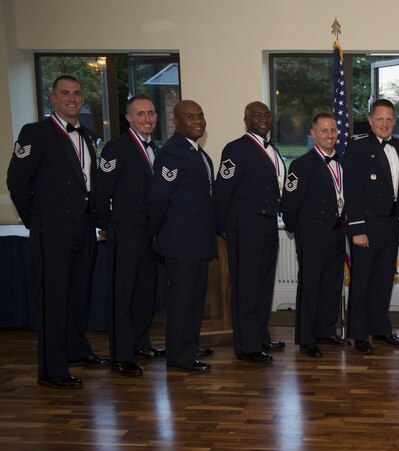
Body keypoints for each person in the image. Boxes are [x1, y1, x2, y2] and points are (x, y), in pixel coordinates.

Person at [7, 74, 109, 389]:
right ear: (53, 98)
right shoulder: (35, 133)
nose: (72, 98)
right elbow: (16, 182)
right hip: (51, 227)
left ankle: (77, 349)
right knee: (53, 298)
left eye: (77, 93)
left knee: (79, 292)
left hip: (83, 225)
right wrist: (36, 220)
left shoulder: (89, 135)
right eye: (65, 93)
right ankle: (51, 369)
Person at [92, 93, 162, 377]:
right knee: (123, 295)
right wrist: (109, 225)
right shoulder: (115, 148)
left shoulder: (155, 149)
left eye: (151, 113)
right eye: (141, 114)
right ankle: (121, 354)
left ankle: (139, 342)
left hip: (149, 233)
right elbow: (100, 193)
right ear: (129, 118)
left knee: (145, 291)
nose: (147, 119)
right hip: (125, 232)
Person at [214, 101, 286, 364]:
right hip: (245, 226)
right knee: (246, 286)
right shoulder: (235, 149)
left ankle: (260, 335)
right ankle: (247, 346)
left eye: (267, 114)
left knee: (264, 284)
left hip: (267, 224)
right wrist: (222, 228)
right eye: (257, 115)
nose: (263, 118)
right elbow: (222, 190)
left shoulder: (272, 148)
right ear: (246, 119)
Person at [147, 100, 216, 372]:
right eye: (190, 117)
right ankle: (179, 356)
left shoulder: (195, 151)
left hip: (197, 241)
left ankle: (188, 345)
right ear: (177, 122)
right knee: (182, 301)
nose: (198, 120)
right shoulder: (173, 153)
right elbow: (158, 199)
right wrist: (157, 232)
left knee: (194, 299)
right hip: (181, 242)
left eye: (200, 115)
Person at [343, 99, 399, 354]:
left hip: (391, 225)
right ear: (370, 120)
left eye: (389, 119)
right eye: (379, 119)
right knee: (361, 282)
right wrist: (357, 229)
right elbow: (352, 190)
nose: (384, 123)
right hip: (367, 226)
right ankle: (359, 334)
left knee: (383, 281)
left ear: (395, 121)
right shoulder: (358, 146)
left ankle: (380, 329)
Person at [281, 113, 350, 357]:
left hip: (335, 231)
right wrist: (298, 230)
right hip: (312, 234)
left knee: (332, 285)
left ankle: (326, 330)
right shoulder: (301, 165)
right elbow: (289, 204)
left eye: (333, 130)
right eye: (324, 131)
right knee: (310, 286)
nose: (329, 135)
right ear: (313, 134)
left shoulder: (343, 162)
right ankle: (307, 338)